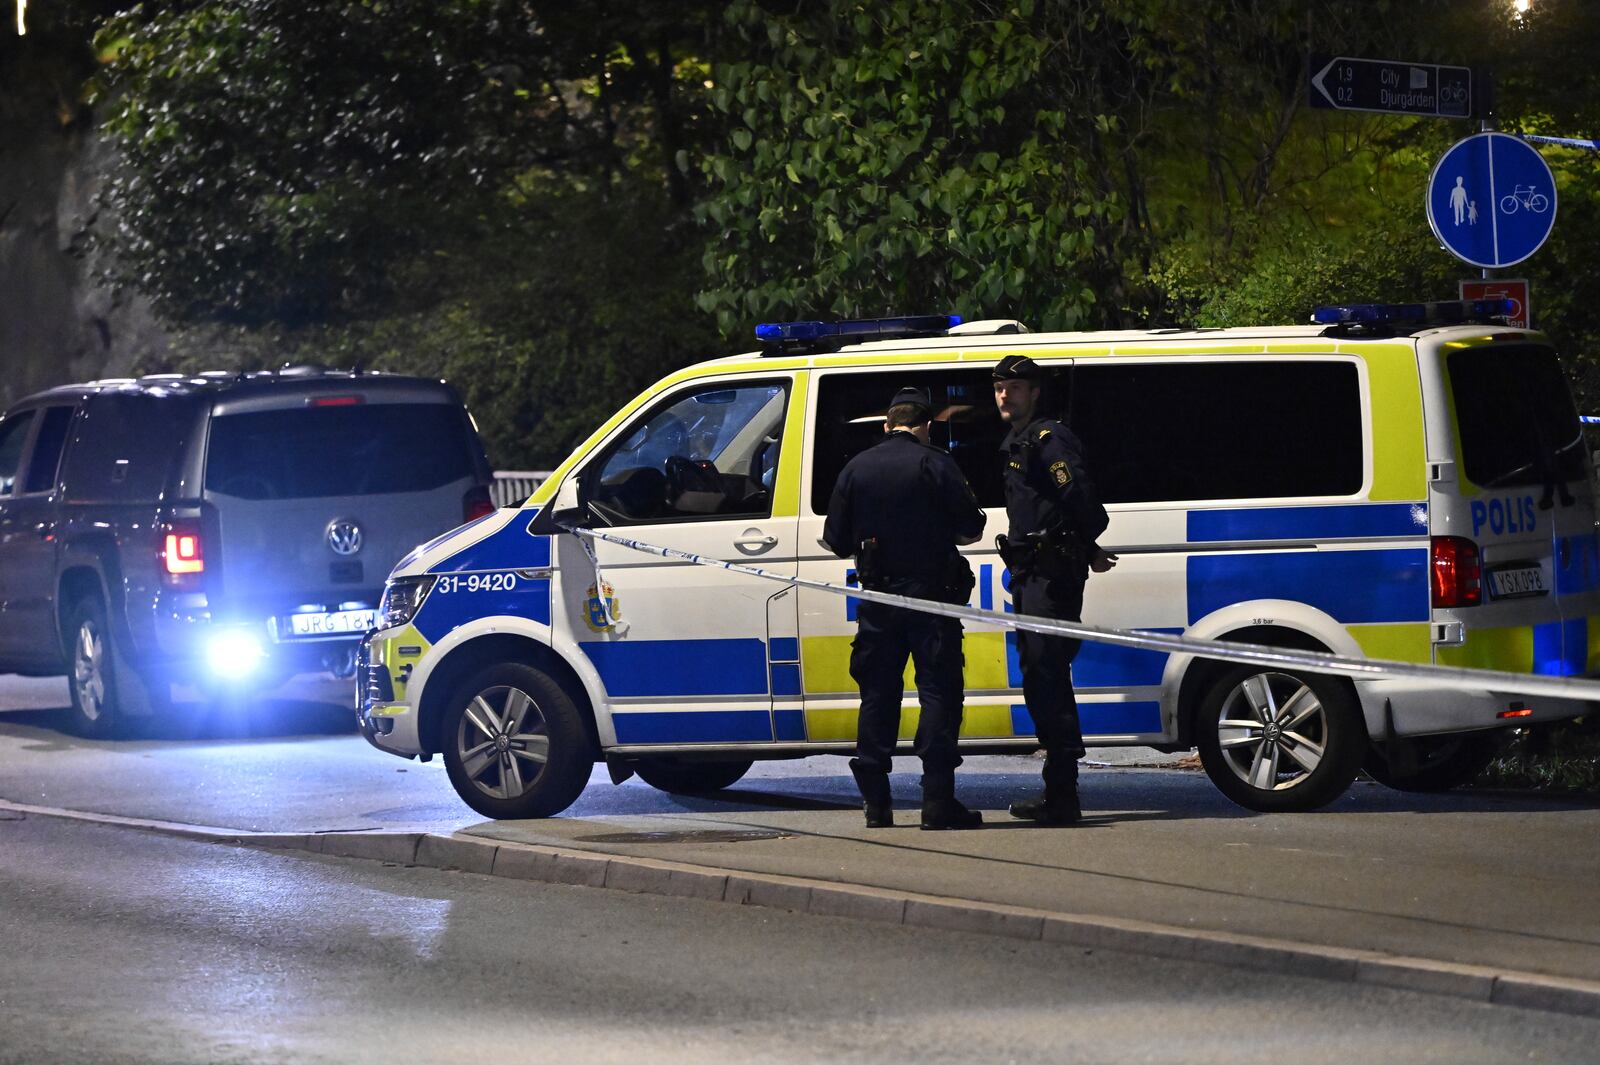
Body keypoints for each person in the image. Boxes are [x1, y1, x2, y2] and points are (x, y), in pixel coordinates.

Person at [823, 385, 987, 830]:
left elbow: (835, 540)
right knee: (938, 693)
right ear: (926, 427)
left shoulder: (856, 468)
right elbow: (972, 528)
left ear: (886, 425)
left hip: (878, 601)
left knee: (877, 696)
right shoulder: (937, 463)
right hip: (932, 598)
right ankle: (937, 803)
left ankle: (877, 804)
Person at [993, 354, 1116, 825]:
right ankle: (1058, 791)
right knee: (1039, 678)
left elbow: (1081, 499)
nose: (1006, 394)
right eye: (1000, 387)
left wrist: (1085, 543)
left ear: (1035, 392)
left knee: (1048, 676)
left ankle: (1063, 795)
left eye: (1016, 388)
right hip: (1032, 575)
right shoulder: (1021, 441)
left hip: (1050, 575)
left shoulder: (1048, 440)